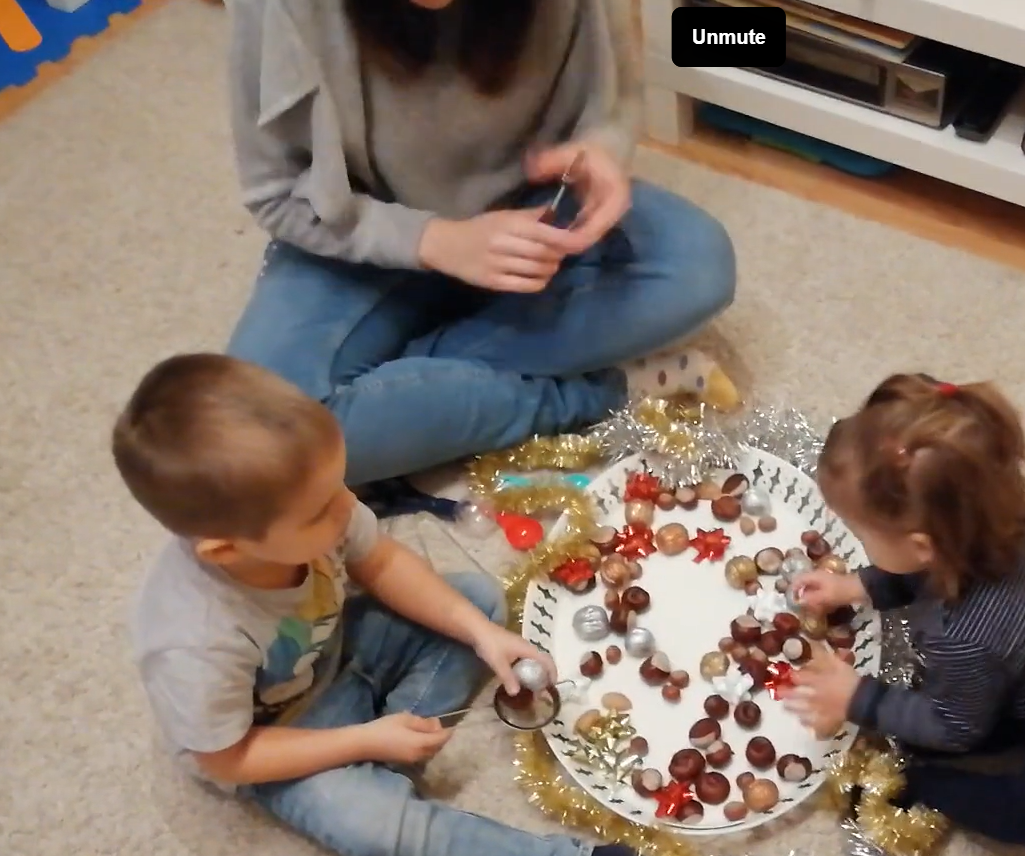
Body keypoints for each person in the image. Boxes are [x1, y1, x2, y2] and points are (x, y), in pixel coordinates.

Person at [112, 353, 661, 856]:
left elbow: (381, 561)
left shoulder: (322, 503)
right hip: (278, 738)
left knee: (477, 602)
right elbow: (227, 758)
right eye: (320, 510)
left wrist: (480, 635)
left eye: (339, 485)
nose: (345, 506)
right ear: (226, 550)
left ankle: (386, 759)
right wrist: (363, 742)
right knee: (378, 829)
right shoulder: (192, 640)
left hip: (340, 647)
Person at [224, 0, 740, 491]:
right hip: (361, 230)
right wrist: (433, 240)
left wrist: (600, 149)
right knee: (260, 445)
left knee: (695, 266)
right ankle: (598, 391)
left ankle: (405, 392)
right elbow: (277, 194)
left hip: (528, 211)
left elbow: (614, 98)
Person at [785, 373, 1025, 846]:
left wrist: (859, 697)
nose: (857, 540)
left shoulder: (966, 635)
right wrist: (857, 586)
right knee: (929, 708)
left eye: (862, 533)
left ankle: (925, 786)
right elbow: (921, 570)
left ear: (923, 546)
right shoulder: (999, 522)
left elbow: (954, 728)